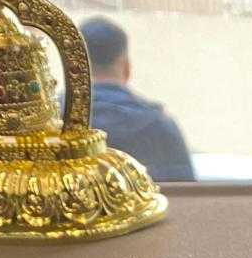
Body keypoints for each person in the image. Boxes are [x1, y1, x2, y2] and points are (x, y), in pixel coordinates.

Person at [78, 17, 195, 182]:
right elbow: (186, 191)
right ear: (126, 67)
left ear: (75, 67)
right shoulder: (160, 125)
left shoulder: (52, 126)